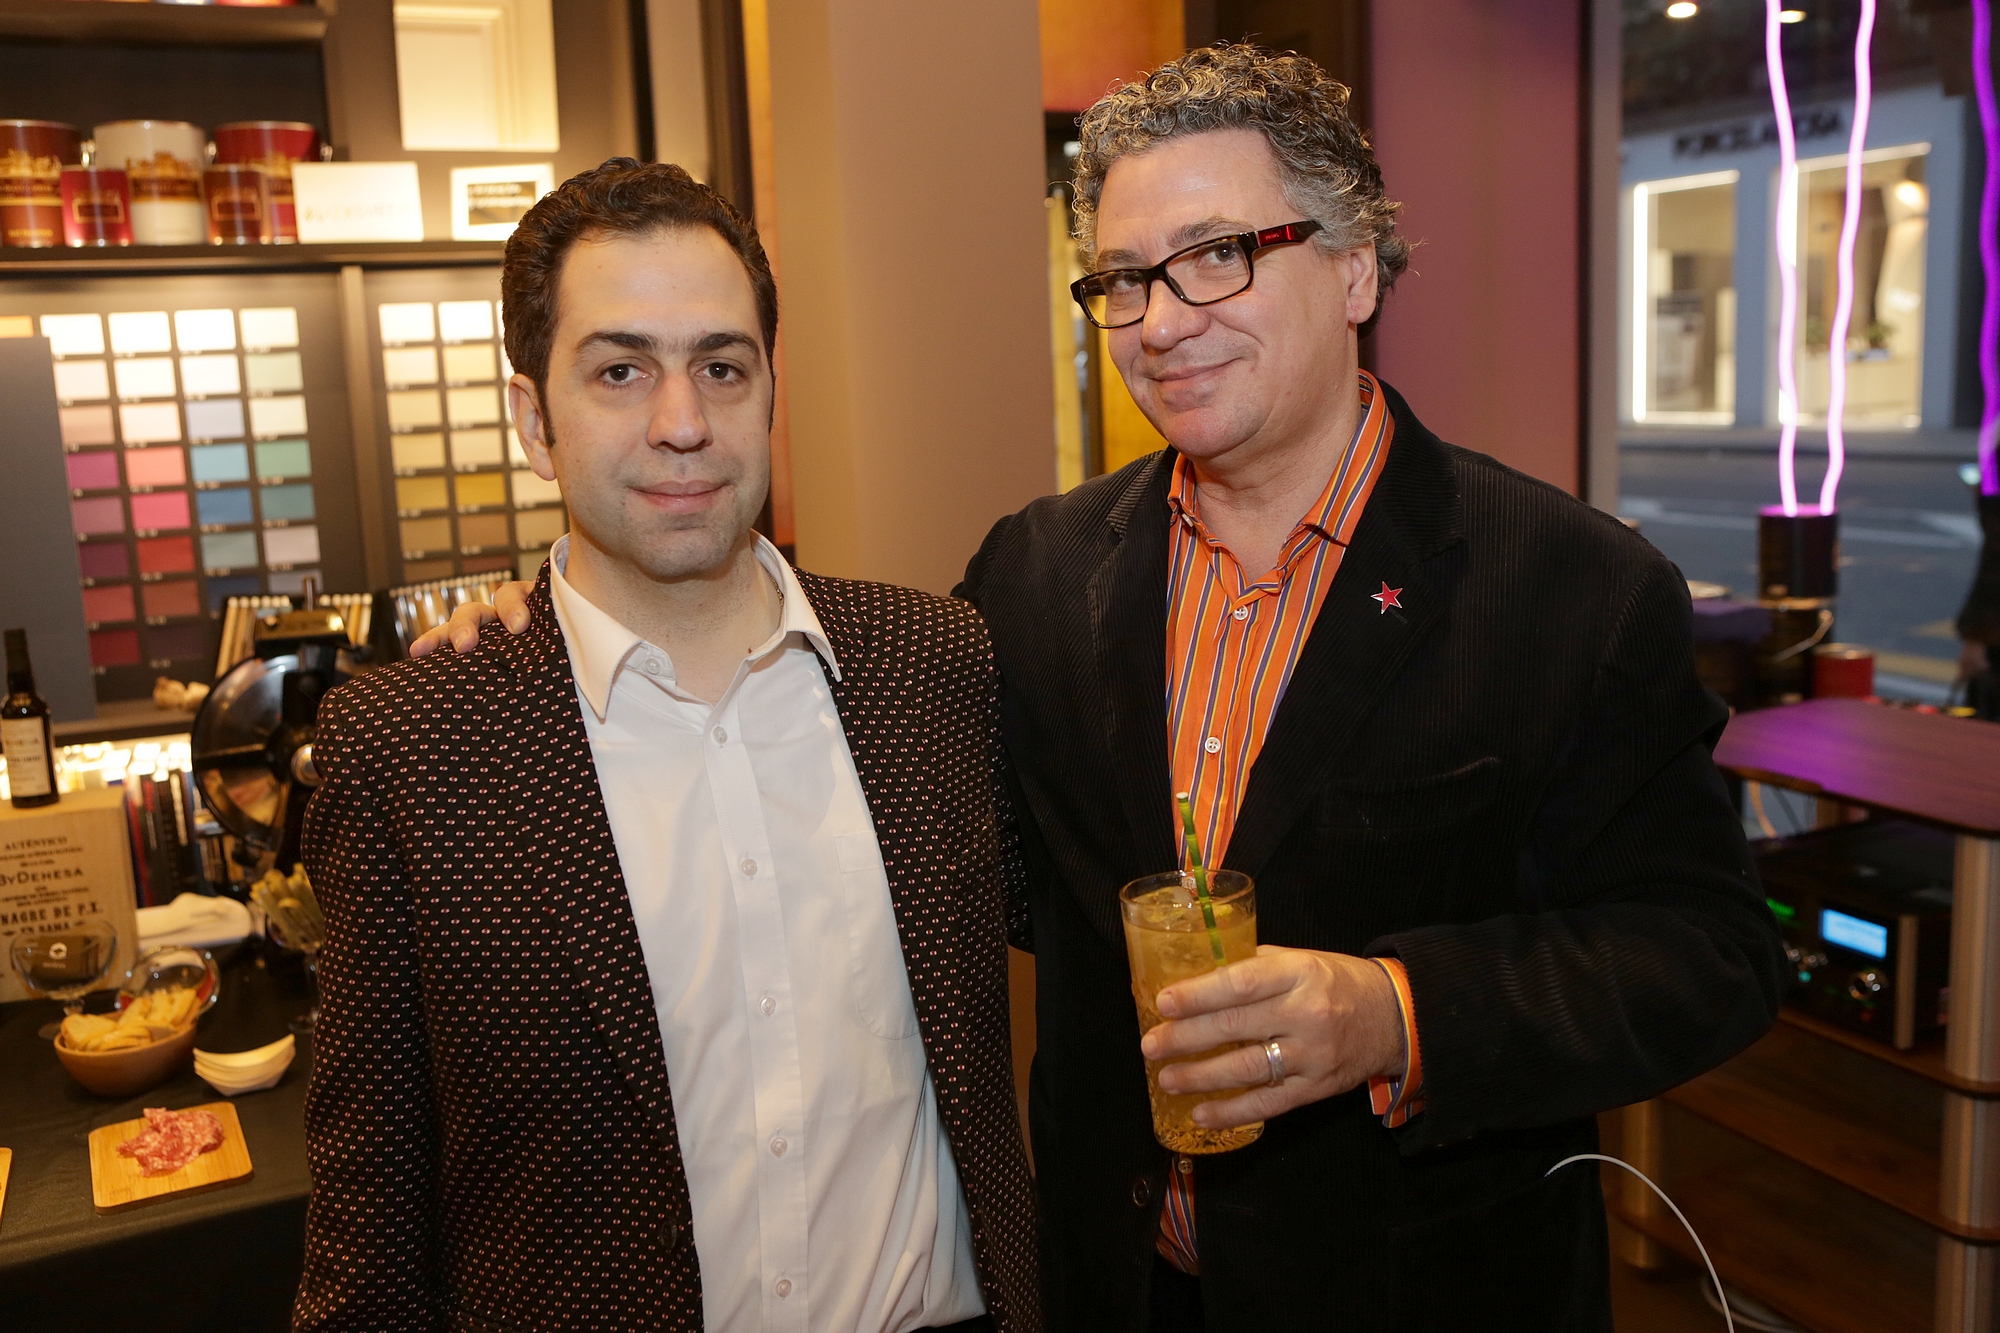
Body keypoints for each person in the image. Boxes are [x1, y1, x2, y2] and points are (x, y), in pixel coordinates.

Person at [420, 47, 1786, 1331]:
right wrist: (567, 623)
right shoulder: (1037, 572)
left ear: (1356, 266)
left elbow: (1710, 954)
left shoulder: (1569, 588)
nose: (1163, 322)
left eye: (1216, 256)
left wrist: (1398, 1012)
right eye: (1124, 278)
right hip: (1113, 1288)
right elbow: (892, 802)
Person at [299, 160, 1037, 1333]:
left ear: (769, 391)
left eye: (720, 366)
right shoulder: (414, 747)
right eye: (620, 369)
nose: (682, 422)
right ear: (533, 420)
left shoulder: (931, 664)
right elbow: (368, 1226)